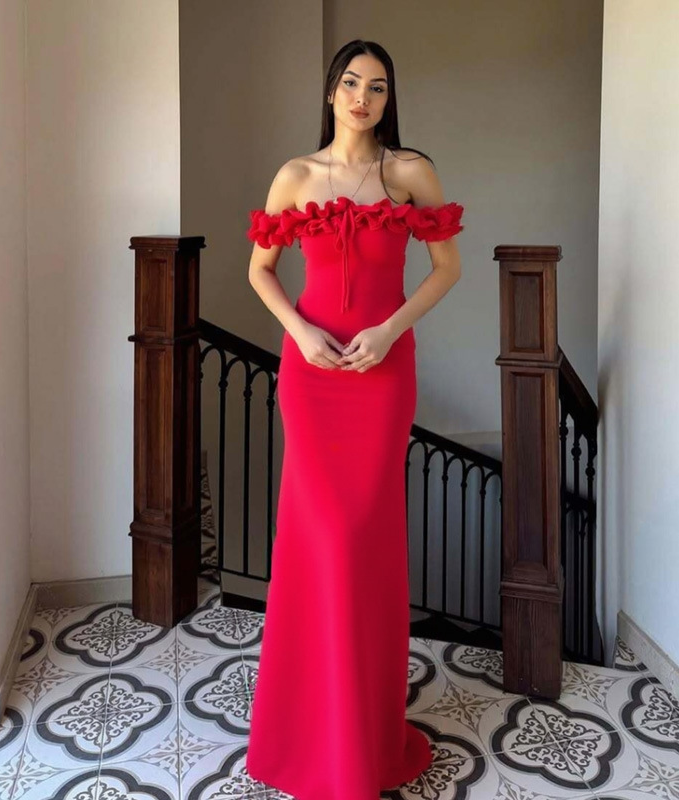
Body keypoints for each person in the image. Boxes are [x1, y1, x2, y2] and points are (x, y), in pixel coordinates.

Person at [244, 39, 464, 800]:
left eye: (376, 86)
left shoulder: (410, 173)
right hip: (312, 378)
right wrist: (301, 333)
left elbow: (446, 269)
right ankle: (307, 733)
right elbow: (260, 271)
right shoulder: (295, 177)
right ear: (330, 91)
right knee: (317, 543)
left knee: (363, 543)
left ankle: (362, 735)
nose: (362, 98)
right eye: (350, 83)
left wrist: (391, 330)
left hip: (381, 376)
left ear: (387, 97)